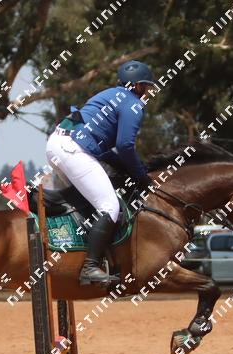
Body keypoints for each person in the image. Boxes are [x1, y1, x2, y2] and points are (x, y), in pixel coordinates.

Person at [46, 60, 156, 286]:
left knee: (87, 201)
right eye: (147, 87)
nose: (148, 92)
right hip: (72, 150)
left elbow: (104, 150)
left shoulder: (108, 95)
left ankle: (79, 250)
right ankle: (89, 267)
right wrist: (140, 175)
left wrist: (127, 168)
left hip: (57, 144)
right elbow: (125, 146)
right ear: (137, 86)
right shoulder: (133, 104)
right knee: (110, 206)